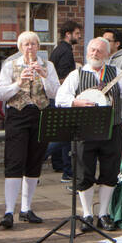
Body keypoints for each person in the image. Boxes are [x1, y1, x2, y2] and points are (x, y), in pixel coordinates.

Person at [55, 37, 122, 229]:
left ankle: (103, 213)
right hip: (84, 130)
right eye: (92, 50)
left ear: (107, 54)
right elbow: (60, 98)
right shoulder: (76, 75)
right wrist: (77, 102)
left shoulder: (116, 72)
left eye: (99, 51)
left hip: (111, 128)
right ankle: (87, 214)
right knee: (84, 172)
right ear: (87, 52)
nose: (95, 54)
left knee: (110, 171)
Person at [0, 31, 59, 227]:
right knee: (14, 160)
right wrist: (18, 83)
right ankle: (8, 211)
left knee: (34, 161)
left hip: (40, 115)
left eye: (33, 44)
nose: (30, 48)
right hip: (17, 115)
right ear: (20, 47)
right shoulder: (10, 66)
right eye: (26, 45)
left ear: (38, 47)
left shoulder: (48, 66)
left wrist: (44, 76)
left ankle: (26, 208)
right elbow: (0, 93)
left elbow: (56, 92)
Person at [47, 20, 82, 183]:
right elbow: (62, 79)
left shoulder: (57, 50)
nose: (79, 36)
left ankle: (59, 165)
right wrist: (75, 75)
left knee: (60, 134)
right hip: (62, 98)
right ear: (68, 34)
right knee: (64, 136)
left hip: (55, 98)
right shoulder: (66, 52)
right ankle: (67, 171)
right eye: (76, 33)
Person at [102, 29, 122, 109]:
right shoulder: (101, 59)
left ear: (117, 44)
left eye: (108, 41)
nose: (104, 43)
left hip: (119, 109)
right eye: (102, 40)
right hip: (103, 108)